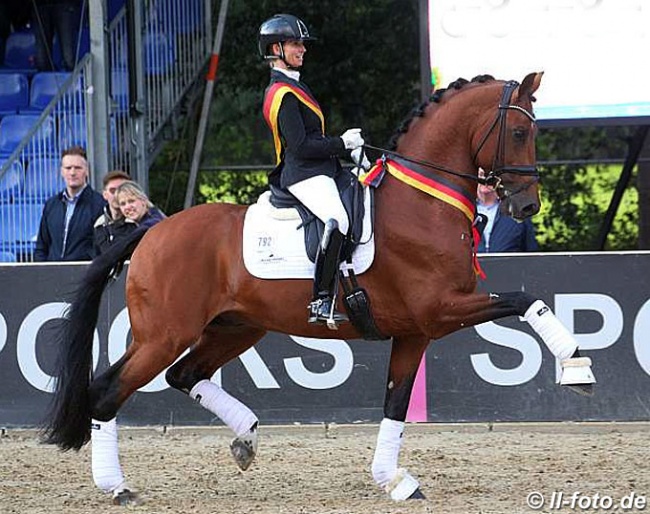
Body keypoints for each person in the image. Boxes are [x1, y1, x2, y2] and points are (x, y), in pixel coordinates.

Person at [258, 13, 366, 328]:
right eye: (295, 44)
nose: (302, 49)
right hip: (302, 173)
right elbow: (302, 146)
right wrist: (342, 143)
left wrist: (348, 149)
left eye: (302, 44)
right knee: (339, 219)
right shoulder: (281, 93)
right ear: (275, 48)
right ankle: (320, 299)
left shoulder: (295, 85)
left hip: (321, 168)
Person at [90, 179, 164, 506]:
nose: (129, 207)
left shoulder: (161, 225)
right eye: (123, 205)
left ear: (143, 200)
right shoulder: (123, 229)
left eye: (133, 201)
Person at [34, 146, 106, 261]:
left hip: (84, 275)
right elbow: (42, 246)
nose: (72, 172)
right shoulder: (51, 205)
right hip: (52, 274)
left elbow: (100, 248)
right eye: (68, 168)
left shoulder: (99, 204)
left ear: (86, 171)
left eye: (78, 168)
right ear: (62, 171)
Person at [476, 168, 538, 253]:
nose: (485, 179)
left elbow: (532, 253)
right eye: (481, 175)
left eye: (489, 175)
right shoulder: (463, 211)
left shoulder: (517, 211)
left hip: (510, 265)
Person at [31, 0, 82, 71]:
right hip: (41, 6)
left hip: (65, 4)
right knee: (42, 61)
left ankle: (74, 80)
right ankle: (47, 80)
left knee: (69, 58)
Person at [93, 170, 131, 255]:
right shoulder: (99, 224)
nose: (117, 195)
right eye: (113, 191)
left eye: (122, 190)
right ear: (105, 194)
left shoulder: (141, 223)